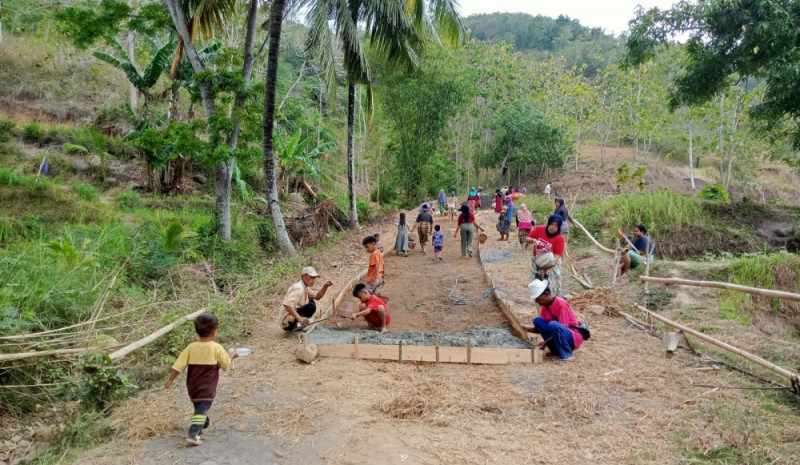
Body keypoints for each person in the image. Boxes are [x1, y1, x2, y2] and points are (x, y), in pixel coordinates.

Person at [165, 313, 239, 445]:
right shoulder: (216, 348)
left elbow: (178, 365)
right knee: (202, 407)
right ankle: (193, 435)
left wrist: (170, 380)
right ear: (214, 332)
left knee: (200, 406)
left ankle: (203, 422)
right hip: (207, 386)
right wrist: (232, 355)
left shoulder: (191, 347)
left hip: (192, 386)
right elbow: (225, 365)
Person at [522, 280, 583, 362]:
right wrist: (524, 328)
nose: (537, 302)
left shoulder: (561, 303)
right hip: (559, 332)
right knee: (537, 321)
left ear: (546, 294)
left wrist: (546, 342)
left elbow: (562, 327)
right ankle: (555, 350)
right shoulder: (545, 308)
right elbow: (539, 329)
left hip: (572, 336)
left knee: (553, 325)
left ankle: (567, 354)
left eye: (538, 299)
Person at [279, 267, 333, 332]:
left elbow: (317, 296)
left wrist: (325, 286)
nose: (313, 280)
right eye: (311, 277)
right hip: (287, 322)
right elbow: (287, 304)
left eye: (314, 278)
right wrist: (299, 318)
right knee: (311, 306)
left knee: (311, 302)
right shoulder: (299, 288)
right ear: (304, 276)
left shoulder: (304, 287)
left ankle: (301, 324)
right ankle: (298, 325)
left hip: (292, 318)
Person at [526, 215, 566, 296]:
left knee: (552, 284)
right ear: (548, 223)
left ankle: (554, 299)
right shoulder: (539, 229)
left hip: (552, 262)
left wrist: (549, 268)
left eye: (556, 226)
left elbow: (557, 256)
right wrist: (533, 240)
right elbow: (527, 239)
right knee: (538, 284)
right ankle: (539, 298)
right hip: (538, 260)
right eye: (552, 224)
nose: (553, 227)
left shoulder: (560, 238)